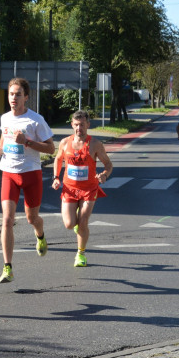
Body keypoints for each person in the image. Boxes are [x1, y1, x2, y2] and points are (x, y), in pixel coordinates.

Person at [0, 78, 55, 284]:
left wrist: (27, 141)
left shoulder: (36, 120)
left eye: (18, 94)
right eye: (11, 94)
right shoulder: (5, 118)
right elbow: (4, 138)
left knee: (31, 218)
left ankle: (40, 233)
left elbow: (50, 148)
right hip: (9, 173)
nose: (14, 98)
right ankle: (7, 267)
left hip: (31, 173)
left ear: (26, 97)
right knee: (7, 220)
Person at [51, 110, 113, 267]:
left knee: (83, 221)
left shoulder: (95, 144)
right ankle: (77, 224)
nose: (79, 128)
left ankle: (81, 254)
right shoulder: (65, 143)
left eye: (82, 125)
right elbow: (58, 160)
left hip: (89, 189)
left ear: (88, 125)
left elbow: (108, 164)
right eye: (76, 125)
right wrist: (56, 177)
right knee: (69, 224)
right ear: (72, 125)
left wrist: (104, 175)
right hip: (69, 188)